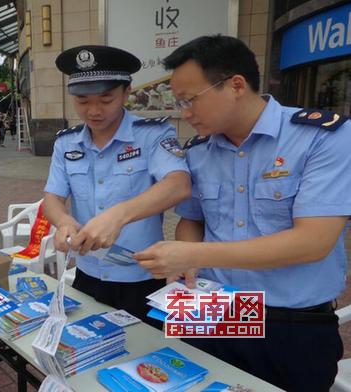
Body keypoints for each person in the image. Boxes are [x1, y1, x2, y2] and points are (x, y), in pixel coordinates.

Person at [134, 35, 351, 391]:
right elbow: (192, 218)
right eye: (178, 102)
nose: (184, 112)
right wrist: (186, 261)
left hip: (289, 323)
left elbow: (314, 242)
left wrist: (193, 253)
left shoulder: (323, 138)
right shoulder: (199, 151)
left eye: (191, 100)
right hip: (214, 310)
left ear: (236, 85)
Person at [43, 45, 191, 325]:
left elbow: (178, 184)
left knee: (145, 357)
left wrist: (118, 215)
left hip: (141, 277)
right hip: (88, 273)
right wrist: (63, 221)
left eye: (106, 98)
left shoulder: (151, 135)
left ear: (126, 92)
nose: (94, 110)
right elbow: (52, 196)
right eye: (83, 101)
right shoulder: (66, 143)